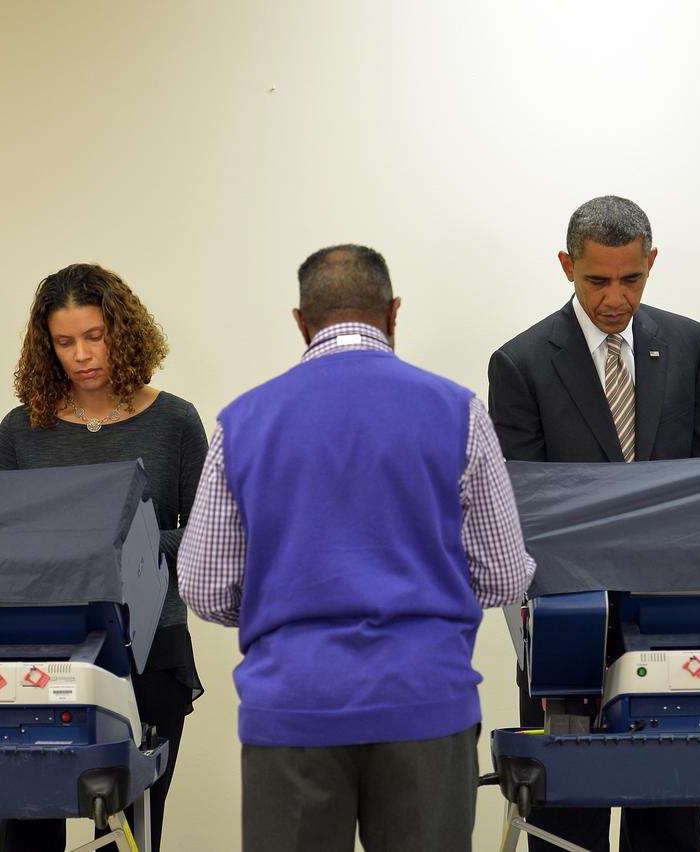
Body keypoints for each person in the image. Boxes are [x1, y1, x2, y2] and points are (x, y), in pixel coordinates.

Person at [178, 244, 536, 852]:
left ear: (301, 322)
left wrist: (283, 604)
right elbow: (504, 577)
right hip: (425, 699)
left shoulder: (242, 422)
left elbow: (205, 587)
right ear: (393, 314)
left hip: (293, 705)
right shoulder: (459, 413)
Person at [487, 196, 700, 852]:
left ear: (651, 263)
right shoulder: (521, 363)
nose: (615, 299)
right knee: (567, 825)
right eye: (598, 281)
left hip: (674, 625)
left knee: (670, 821)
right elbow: (523, 510)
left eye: (632, 279)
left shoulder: (687, 343)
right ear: (567, 266)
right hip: (570, 627)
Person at [0, 263, 207, 852]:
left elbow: (205, 540)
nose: (82, 355)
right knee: (25, 831)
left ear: (123, 332)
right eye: (65, 342)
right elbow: (0, 551)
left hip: (150, 654)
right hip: (40, 657)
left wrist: (109, 549)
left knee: (128, 836)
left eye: (95, 336)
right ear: (46, 346)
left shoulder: (176, 422)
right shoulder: (20, 430)